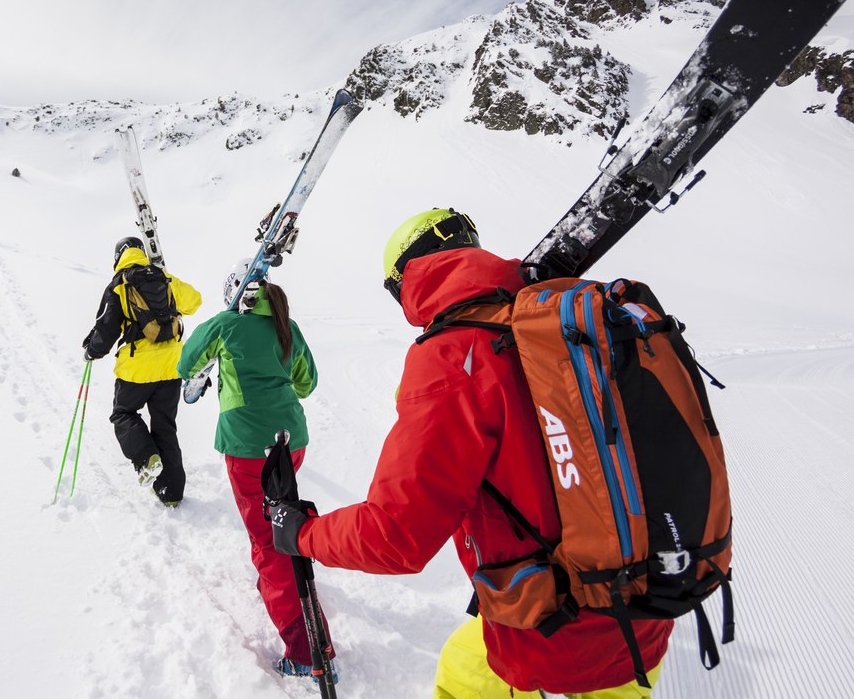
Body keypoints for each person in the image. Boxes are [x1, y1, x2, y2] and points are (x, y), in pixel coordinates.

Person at [265, 209, 671, 698]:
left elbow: (395, 535)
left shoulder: (453, 354)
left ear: (407, 282)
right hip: (645, 610)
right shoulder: (563, 317)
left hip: (547, 635)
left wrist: (303, 534)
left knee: (462, 679)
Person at [178, 261, 335, 681]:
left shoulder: (226, 324)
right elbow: (307, 383)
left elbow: (185, 364)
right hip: (291, 440)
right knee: (283, 520)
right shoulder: (288, 324)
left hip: (248, 447)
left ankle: (306, 650)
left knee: (270, 542)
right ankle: (284, 587)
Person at [82, 237, 202, 506]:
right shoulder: (163, 277)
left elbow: (106, 329)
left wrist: (92, 350)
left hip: (136, 371)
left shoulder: (119, 285)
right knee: (165, 427)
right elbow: (195, 301)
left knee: (123, 414)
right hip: (171, 367)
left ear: (118, 257)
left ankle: (146, 457)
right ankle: (171, 494)